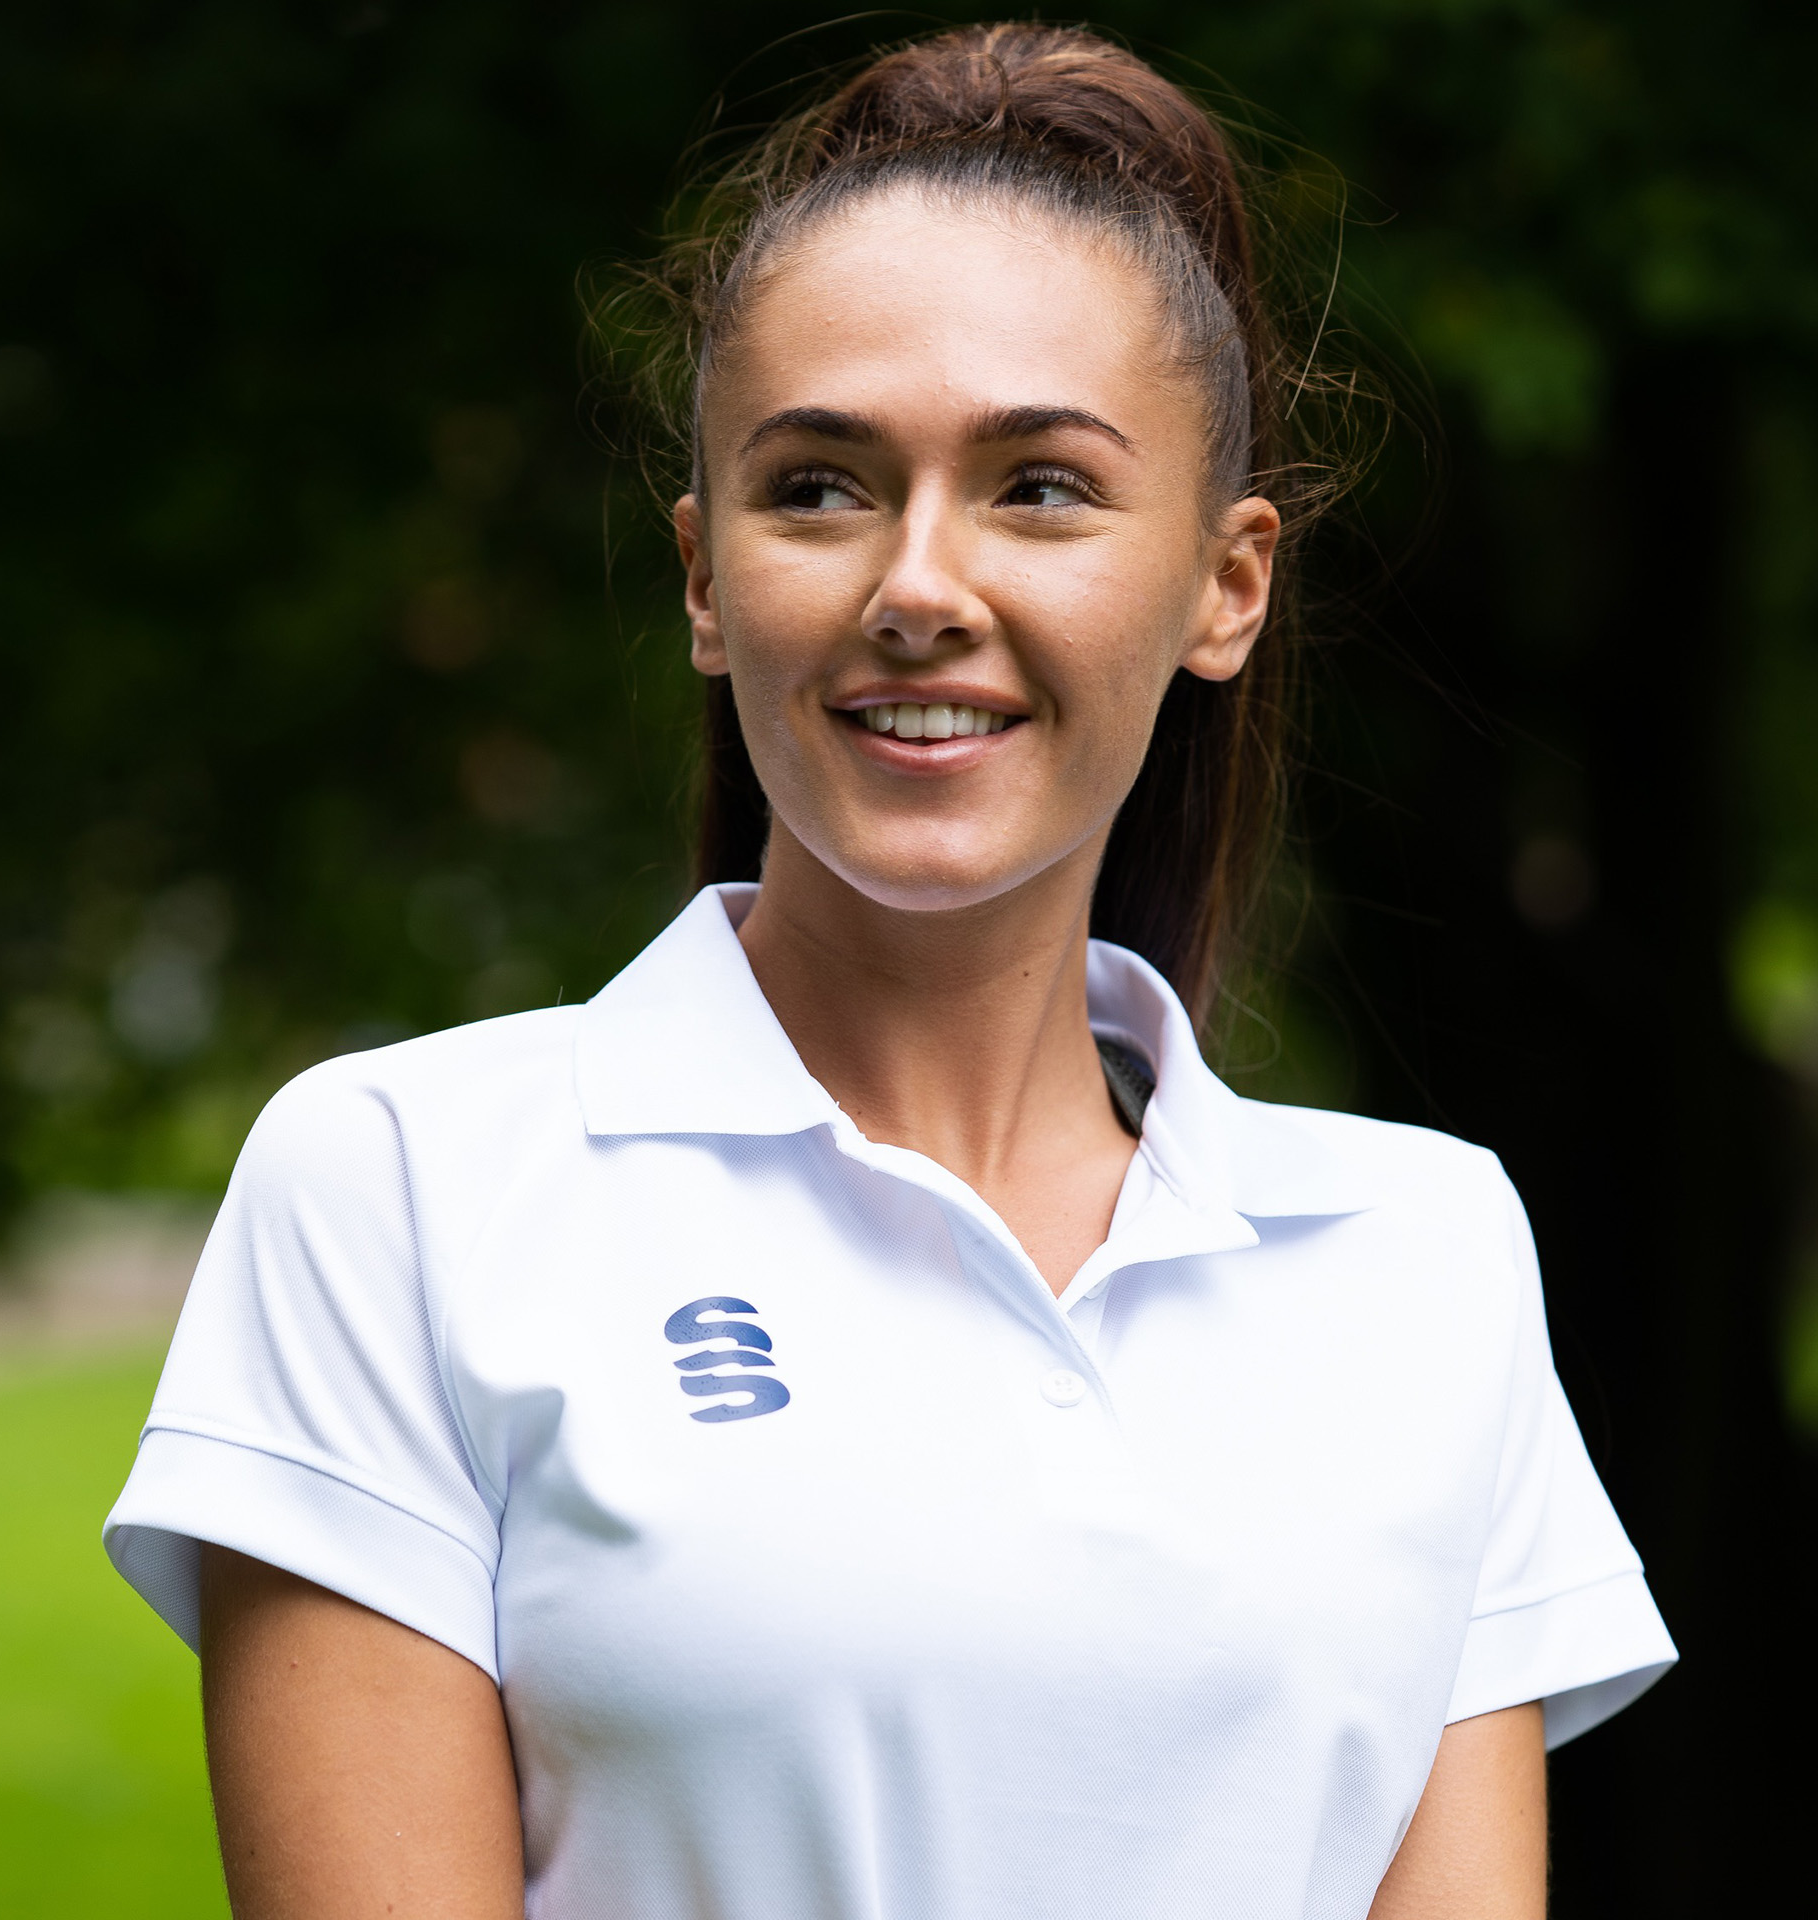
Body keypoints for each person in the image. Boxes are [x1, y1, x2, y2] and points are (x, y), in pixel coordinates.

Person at [105, 23, 1675, 1919]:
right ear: (706, 577)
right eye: (822, 488)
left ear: (1227, 584)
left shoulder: (1426, 1256)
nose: (920, 585)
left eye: (1042, 487)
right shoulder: (403, 1189)